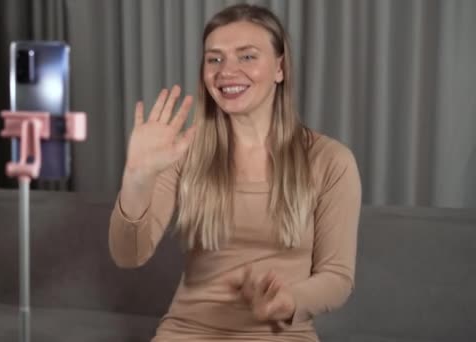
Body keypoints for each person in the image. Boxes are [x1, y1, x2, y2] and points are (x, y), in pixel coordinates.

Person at [109, 4, 361, 341]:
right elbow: (128, 255)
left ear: (280, 68)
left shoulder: (330, 160)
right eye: (214, 59)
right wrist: (136, 176)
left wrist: (288, 300)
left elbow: (337, 277)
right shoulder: (183, 153)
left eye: (247, 57)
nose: (226, 71)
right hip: (187, 332)